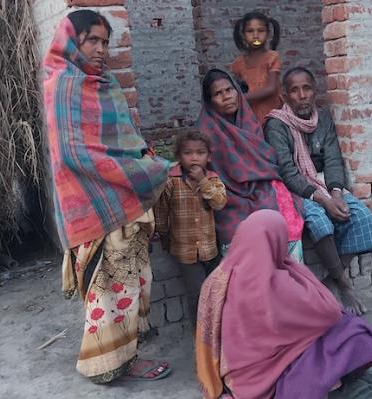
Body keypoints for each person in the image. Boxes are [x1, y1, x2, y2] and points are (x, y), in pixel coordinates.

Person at [43, 10, 172, 384]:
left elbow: (123, 140)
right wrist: (146, 171)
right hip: (93, 205)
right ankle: (107, 365)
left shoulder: (104, 84)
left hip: (120, 201)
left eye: (105, 41)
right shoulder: (64, 85)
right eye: (92, 40)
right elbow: (74, 153)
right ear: (72, 41)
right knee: (108, 292)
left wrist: (142, 159)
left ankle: (126, 352)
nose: (101, 49)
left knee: (129, 284)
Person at [195, 210, 372, 399]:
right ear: (277, 241)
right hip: (271, 379)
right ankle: (337, 386)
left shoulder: (219, 278)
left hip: (239, 377)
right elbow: (330, 312)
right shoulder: (277, 282)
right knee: (353, 332)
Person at [265, 67, 372, 316]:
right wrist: (322, 199)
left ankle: (331, 279)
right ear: (285, 96)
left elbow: (332, 159)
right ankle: (344, 284)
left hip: (323, 182)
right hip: (296, 187)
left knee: (358, 215)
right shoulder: (276, 124)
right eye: (295, 91)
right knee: (318, 220)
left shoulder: (323, 118)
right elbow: (287, 170)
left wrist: (336, 194)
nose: (302, 95)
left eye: (307, 88)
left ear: (315, 91)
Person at [198, 69, 304, 260]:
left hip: (262, 188)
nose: (226, 97)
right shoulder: (206, 132)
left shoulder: (249, 123)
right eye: (217, 94)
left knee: (285, 220)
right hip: (229, 197)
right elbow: (208, 175)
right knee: (237, 232)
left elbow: (266, 163)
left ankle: (290, 283)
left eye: (229, 90)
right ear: (210, 101)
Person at [154, 131, 227, 322]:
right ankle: (201, 334)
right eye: (188, 153)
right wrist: (163, 234)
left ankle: (217, 328)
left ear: (209, 156)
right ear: (179, 156)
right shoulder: (171, 181)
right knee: (197, 294)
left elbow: (219, 203)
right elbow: (161, 211)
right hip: (185, 252)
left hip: (210, 249)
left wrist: (203, 181)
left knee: (215, 292)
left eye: (200, 152)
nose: (194, 157)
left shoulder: (212, 179)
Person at [230, 11, 283, 121]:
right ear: (243, 35)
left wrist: (241, 98)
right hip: (250, 117)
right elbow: (240, 88)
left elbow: (271, 88)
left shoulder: (272, 57)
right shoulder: (238, 64)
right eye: (250, 31)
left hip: (273, 116)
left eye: (261, 31)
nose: (255, 36)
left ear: (268, 34)